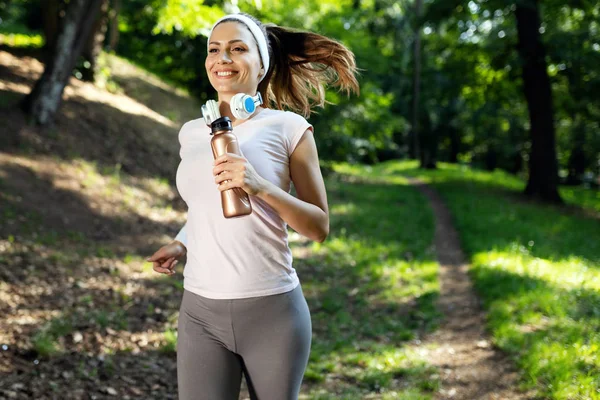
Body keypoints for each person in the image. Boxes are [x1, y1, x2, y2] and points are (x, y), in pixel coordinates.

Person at [145, 12, 359, 400]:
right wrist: (182, 242)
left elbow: (319, 227)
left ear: (262, 64)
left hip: (272, 312)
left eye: (237, 48)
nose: (221, 58)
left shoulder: (288, 128)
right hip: (199, 311)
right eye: (214, 49)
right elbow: (204, 208)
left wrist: (260, 187)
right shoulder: (192, 133)